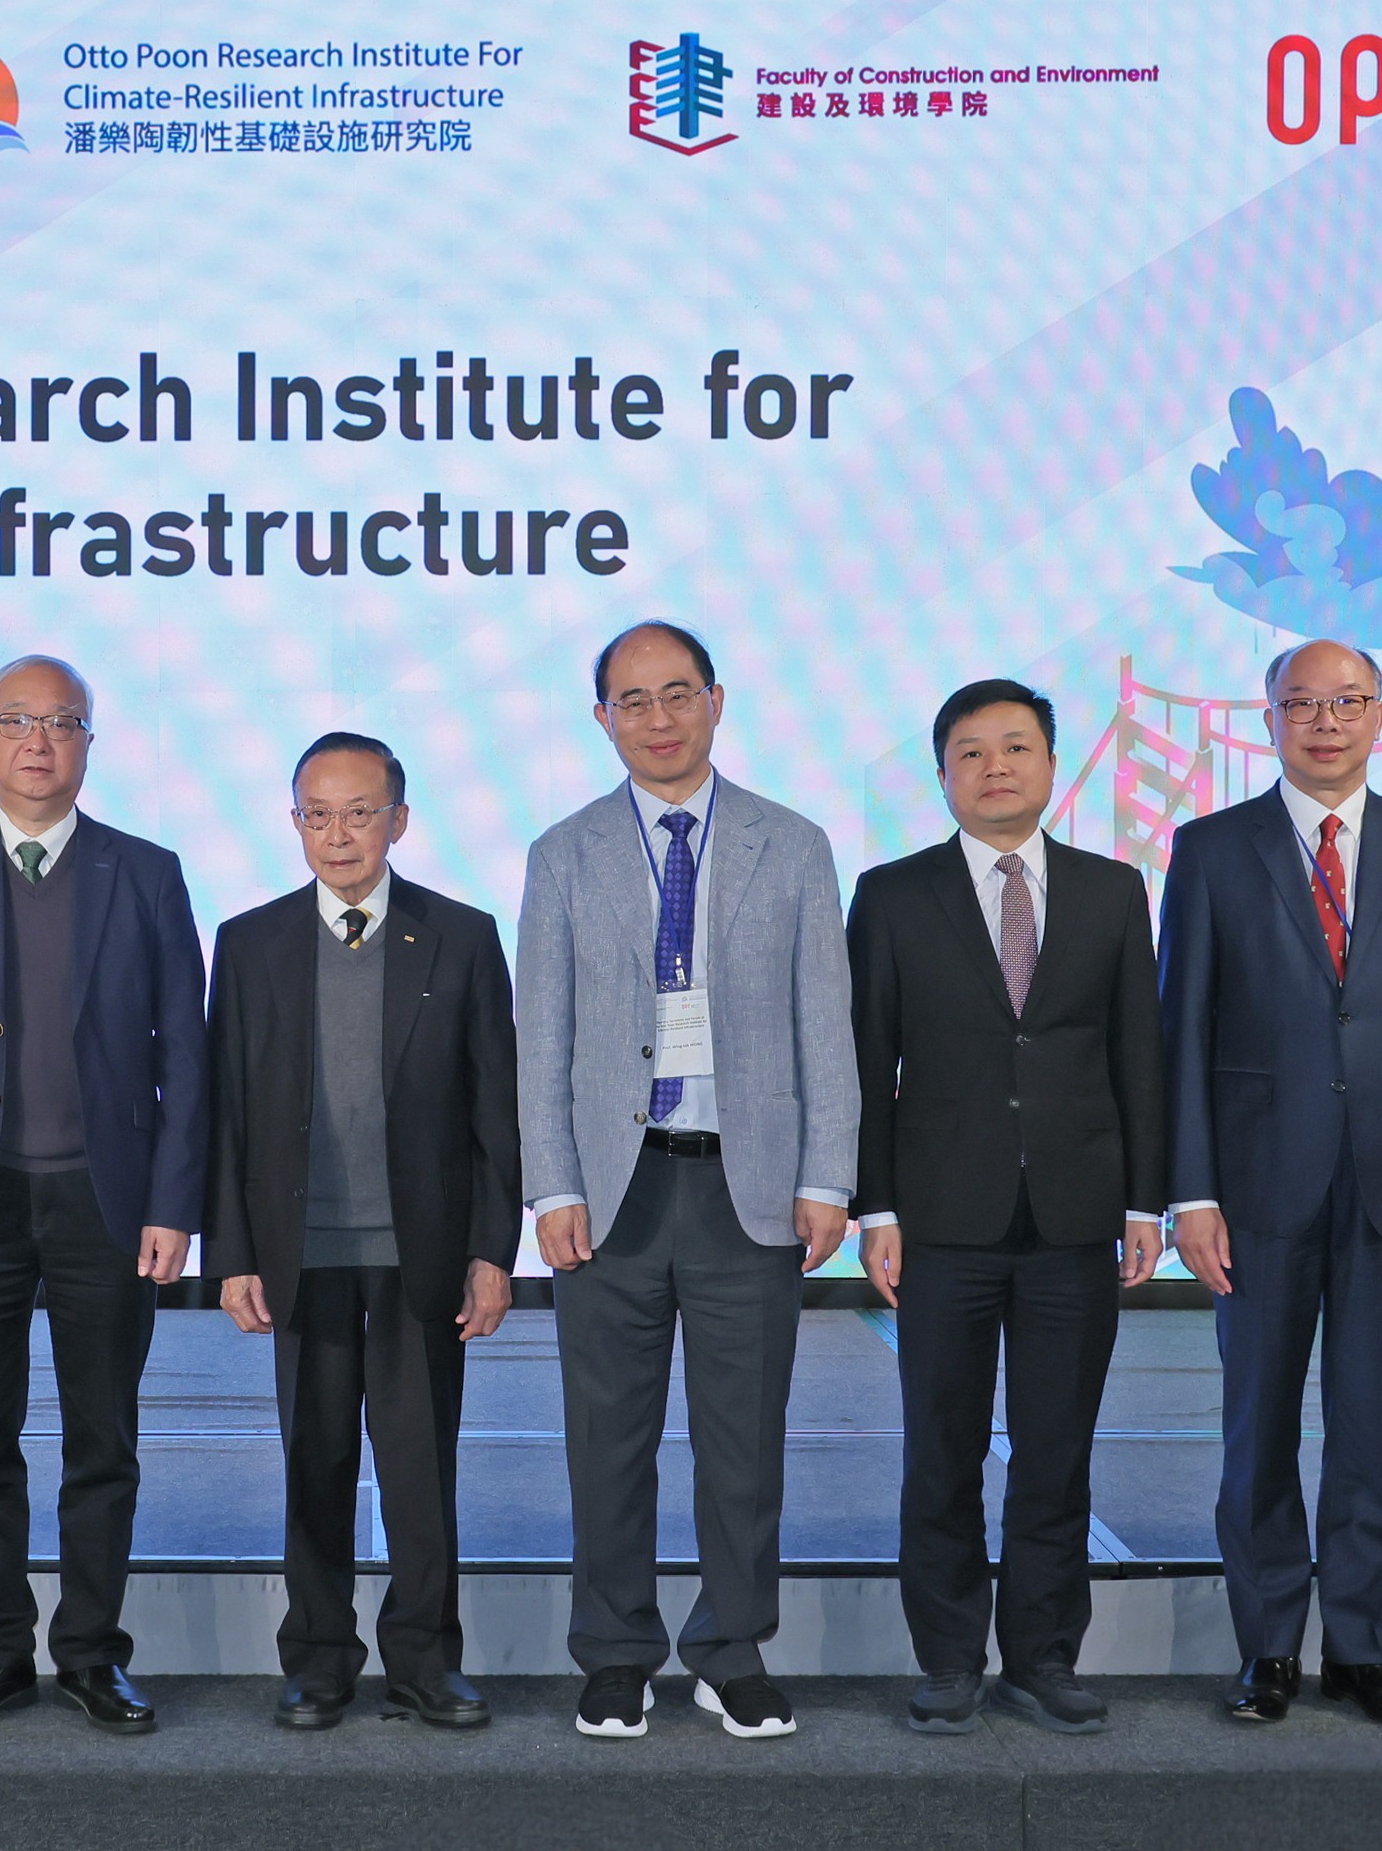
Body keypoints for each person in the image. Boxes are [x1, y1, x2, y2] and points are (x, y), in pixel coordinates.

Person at [519, 620, 858, 1743]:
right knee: (603, 1436)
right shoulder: (561, 854)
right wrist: (549, 1187)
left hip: (745, 1184)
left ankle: (728, 1649)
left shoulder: (791, 845)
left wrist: (828, 1176)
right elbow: (544, 1039)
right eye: (632, 700)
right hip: (613, 1189)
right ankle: (614, 1652)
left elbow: (827, 1025)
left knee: (741, 1439)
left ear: (715, 701)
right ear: (602, 716)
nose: (656, 720)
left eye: (676, 695)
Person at [1161, 638, 1382, 1728]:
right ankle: (1265, 1652)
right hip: (1253, 1186)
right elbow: (1181, 1030)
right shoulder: (1209, 848)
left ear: (1378, 713)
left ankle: (1361, 1650)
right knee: (1254, 1426)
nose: (1323, 722)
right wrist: (1188, 1190)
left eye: (1344, 702)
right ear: (1265, 716)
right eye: (1299, 703)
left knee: (1369, 1427)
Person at [0, 654, 205, 1736]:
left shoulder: (145, 872)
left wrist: (174, 1202)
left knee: (101, 1441)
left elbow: (185, 1053)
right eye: (16, 720)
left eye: (61, 722)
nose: (37, 741)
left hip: (106, 1204)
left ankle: (91, 1654)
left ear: (87, 744)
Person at [850, 679, 1166, 1737]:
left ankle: (1041, 1655)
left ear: (1049, 764)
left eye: (1016, 748)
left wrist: (1145, 1202)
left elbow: (1136, 1054)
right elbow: (865, 1060)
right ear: (941, 775)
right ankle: (946, 1657)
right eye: (971, 753)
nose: (995, 768)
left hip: (1076, 1216)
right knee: (936, 1449)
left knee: (1053, 1450)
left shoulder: (1113, 890)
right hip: (940, 1221)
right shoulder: (890, 896)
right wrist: (874, 1207)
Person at [207, 732, 519, 1732]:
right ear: (293, 820)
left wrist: (489, 1250)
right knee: (315, 1462)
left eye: (358, 812)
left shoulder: (461, 937)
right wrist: (233, 1255)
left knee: (421, 1469)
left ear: (398, 820)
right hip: (299, 1255)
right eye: (316, 813)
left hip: (418, 1255)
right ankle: (316, 1661)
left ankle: (426, 1660)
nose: (337, 835)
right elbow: (225, 1112)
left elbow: (492, 1109)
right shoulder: (249, 942)